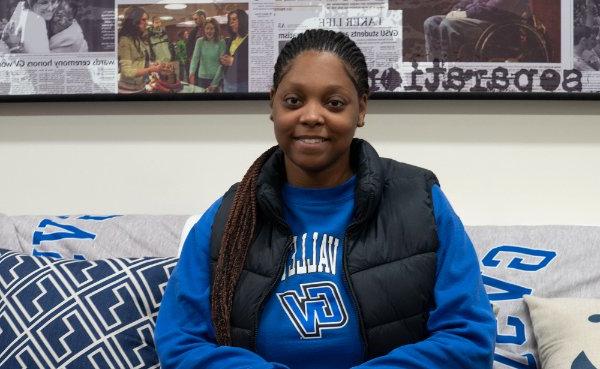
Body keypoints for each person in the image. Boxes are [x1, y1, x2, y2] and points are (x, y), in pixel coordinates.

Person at [155, 29, 496, 369]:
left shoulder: (420, 201)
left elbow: (468, 337)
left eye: (334, 103)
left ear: (361, 109)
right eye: (293, 101)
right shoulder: (228, 216)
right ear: (272, 105)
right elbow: (180, 342)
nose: (312, 116)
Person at [423, 0, 530, 61]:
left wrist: (466, 14)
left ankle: (451, 71)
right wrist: (455, 11)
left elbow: (496, 7)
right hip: (477, 18)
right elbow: (466, 2)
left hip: (498, 25)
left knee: (448, 24)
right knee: (432, 22)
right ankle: (436, 69)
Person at [118, 6, 165, 91]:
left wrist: (152, 65)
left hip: (141, 86)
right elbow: (127, 71)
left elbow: (138, 62)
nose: (146, 23)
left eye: (146, 20)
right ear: (134, 21)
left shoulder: (138, 39)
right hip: (128, 90)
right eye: (143, 20)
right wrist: (150, 69)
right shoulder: (125, 40)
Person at [189, 18, 225, 92]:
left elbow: (222, 64)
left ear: (216, 30)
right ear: (204, 30)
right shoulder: (200, 41)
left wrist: (214, 83)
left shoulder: (221, 42)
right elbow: (195, 58)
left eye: (212, 28)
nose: (209, 31)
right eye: (207, 28)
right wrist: (191, 73)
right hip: (202, 78)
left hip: (216, 78)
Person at [220, 8, 248, 92]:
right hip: (227, 81)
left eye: (234, 19)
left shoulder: (252, 39)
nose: (231, 23)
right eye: (230, 20)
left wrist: (233, 62)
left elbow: (256, 64)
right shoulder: (232, 38)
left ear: (243, 20)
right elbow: (228, 56)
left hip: (242, 84)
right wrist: (222, 59)